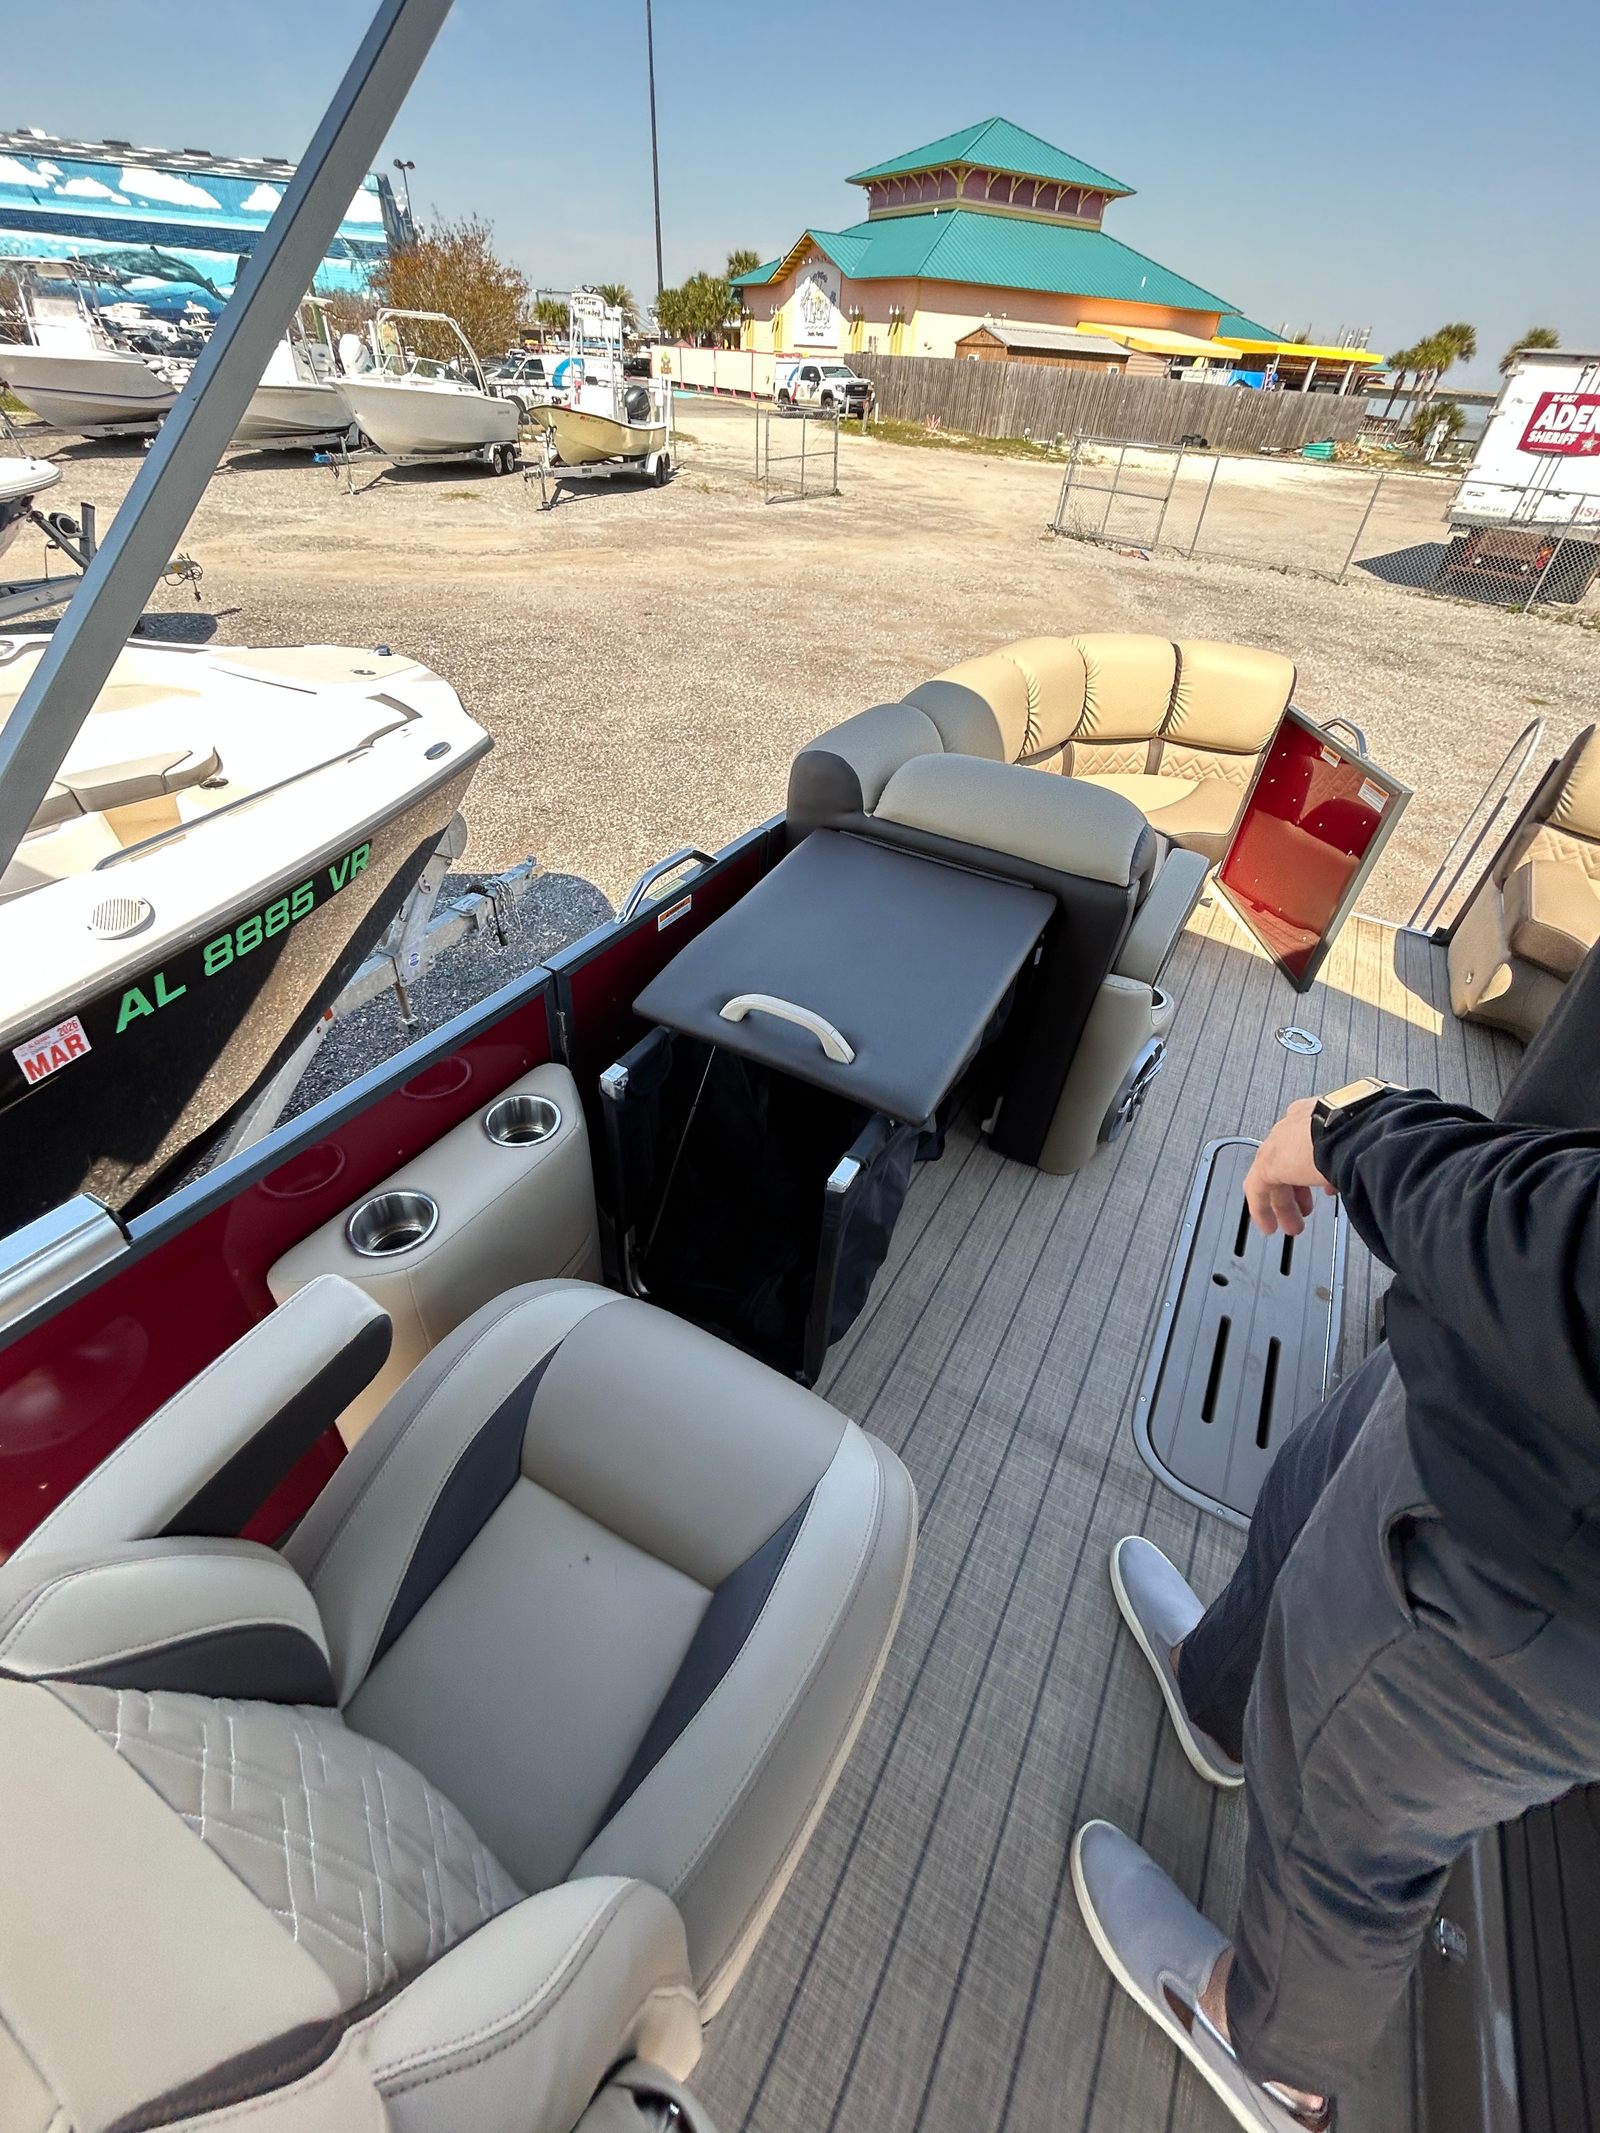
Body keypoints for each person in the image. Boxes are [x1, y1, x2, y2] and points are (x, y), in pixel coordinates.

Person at [1072, 943, 1600, 2132]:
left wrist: (1355, 1127)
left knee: (1353, 1820)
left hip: (1536, 1538)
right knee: (1303, 1507)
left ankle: (1269, 2049)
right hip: (1483, 1342)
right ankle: (1218, 1699)